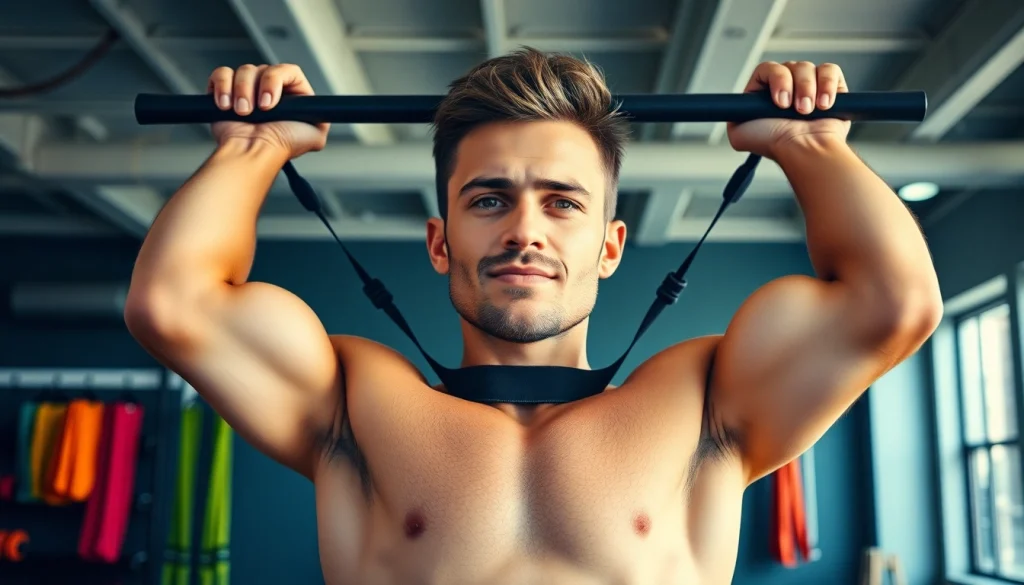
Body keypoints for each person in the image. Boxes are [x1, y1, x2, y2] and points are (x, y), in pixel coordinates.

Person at [123, 48, 943, 584]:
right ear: (439, 241)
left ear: (610, 246)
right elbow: (173, 303)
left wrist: (812, 147)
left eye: (562, 202)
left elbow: (894, 302)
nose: (525, 231)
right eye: (489, 199)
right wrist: (254, 148)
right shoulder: (355, 401)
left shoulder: (704, 402)